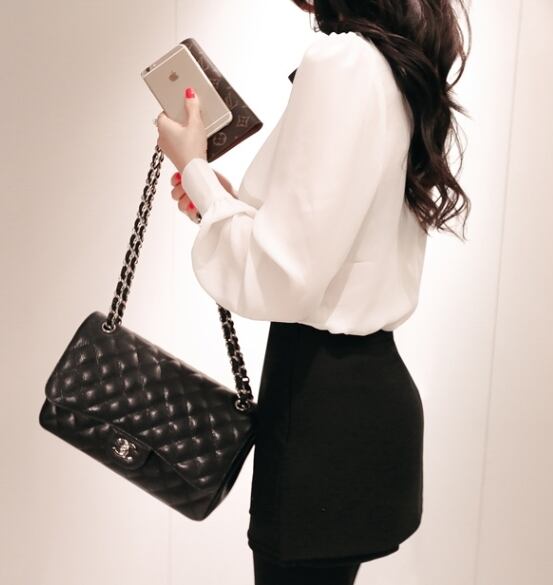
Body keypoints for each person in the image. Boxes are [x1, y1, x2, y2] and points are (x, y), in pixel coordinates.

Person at [156, 1, 471, 583]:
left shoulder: (344, 61)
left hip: (318, 412)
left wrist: (194, 166)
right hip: (362, 400)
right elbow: (321, 245)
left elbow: (285, 276)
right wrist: (215, 203)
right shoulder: (393, 65)